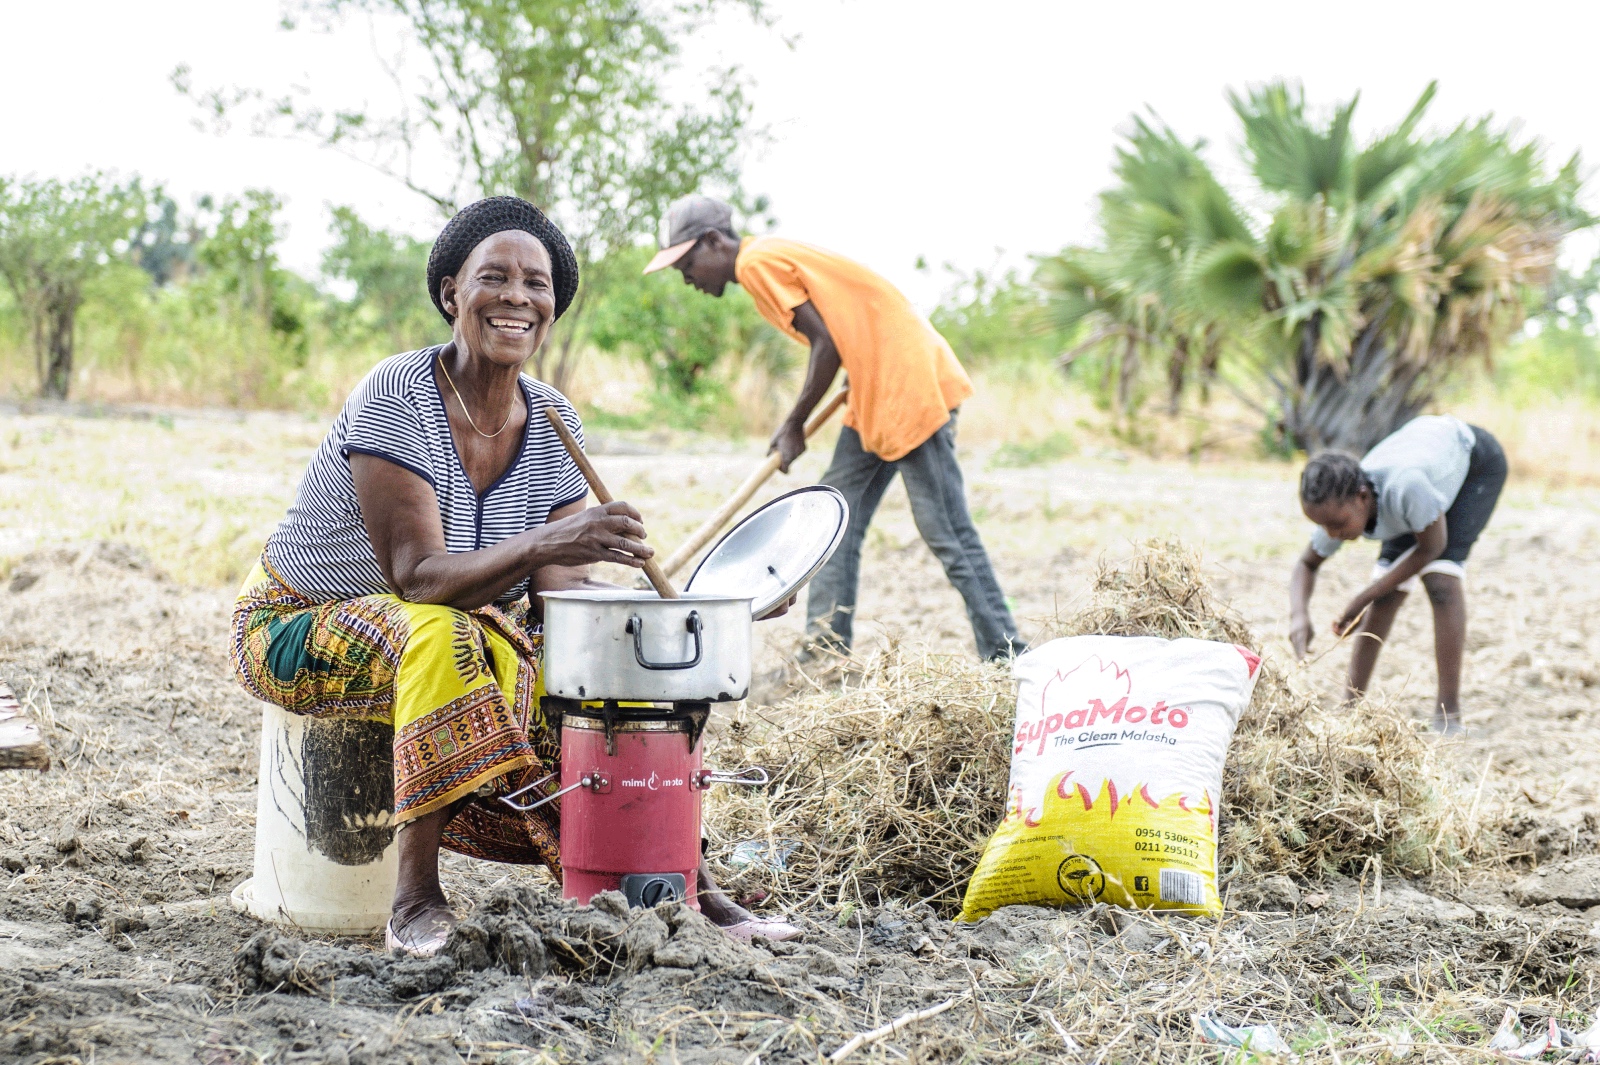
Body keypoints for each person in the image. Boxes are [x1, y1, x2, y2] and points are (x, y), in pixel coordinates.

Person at [231, 196, 797, 956]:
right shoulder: (398, 396)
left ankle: (679, 878)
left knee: (590, 670)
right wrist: (548, 536)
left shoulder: (555, 418)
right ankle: (414, 896)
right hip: (298, 621)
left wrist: (710, 606)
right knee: (446, 632)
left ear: (552, 307)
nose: (517, 297)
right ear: (450, 295)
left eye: (537, 284)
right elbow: (418, 580)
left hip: (453, 634)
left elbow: (561, 598)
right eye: (493, 277)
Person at [643, 195, 1023, 661]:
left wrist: (793, 425)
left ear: (714, 241)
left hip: (905, 385)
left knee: (947, 530)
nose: (686, 278)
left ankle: (1008, 654)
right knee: (833, 520)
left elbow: (826, 345)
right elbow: (845, 327)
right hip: (872, 391)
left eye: (687, 264)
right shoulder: (766, 259)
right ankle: (825, 652)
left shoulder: (758, 262)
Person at [1288, 415, 1507, 734]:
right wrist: (1298, 615)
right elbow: (1305, 564)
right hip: (1415, 487)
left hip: (1474, 465)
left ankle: (1448, 715)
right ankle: (1349, 711)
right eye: (1323, 527)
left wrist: (1362, 597)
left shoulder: (1406, 487)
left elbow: (1432, 547)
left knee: (1440, 582)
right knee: (1386, 595)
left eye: (1337, 524)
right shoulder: (1339, 504)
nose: (1331, 535)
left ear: (1363, 497)